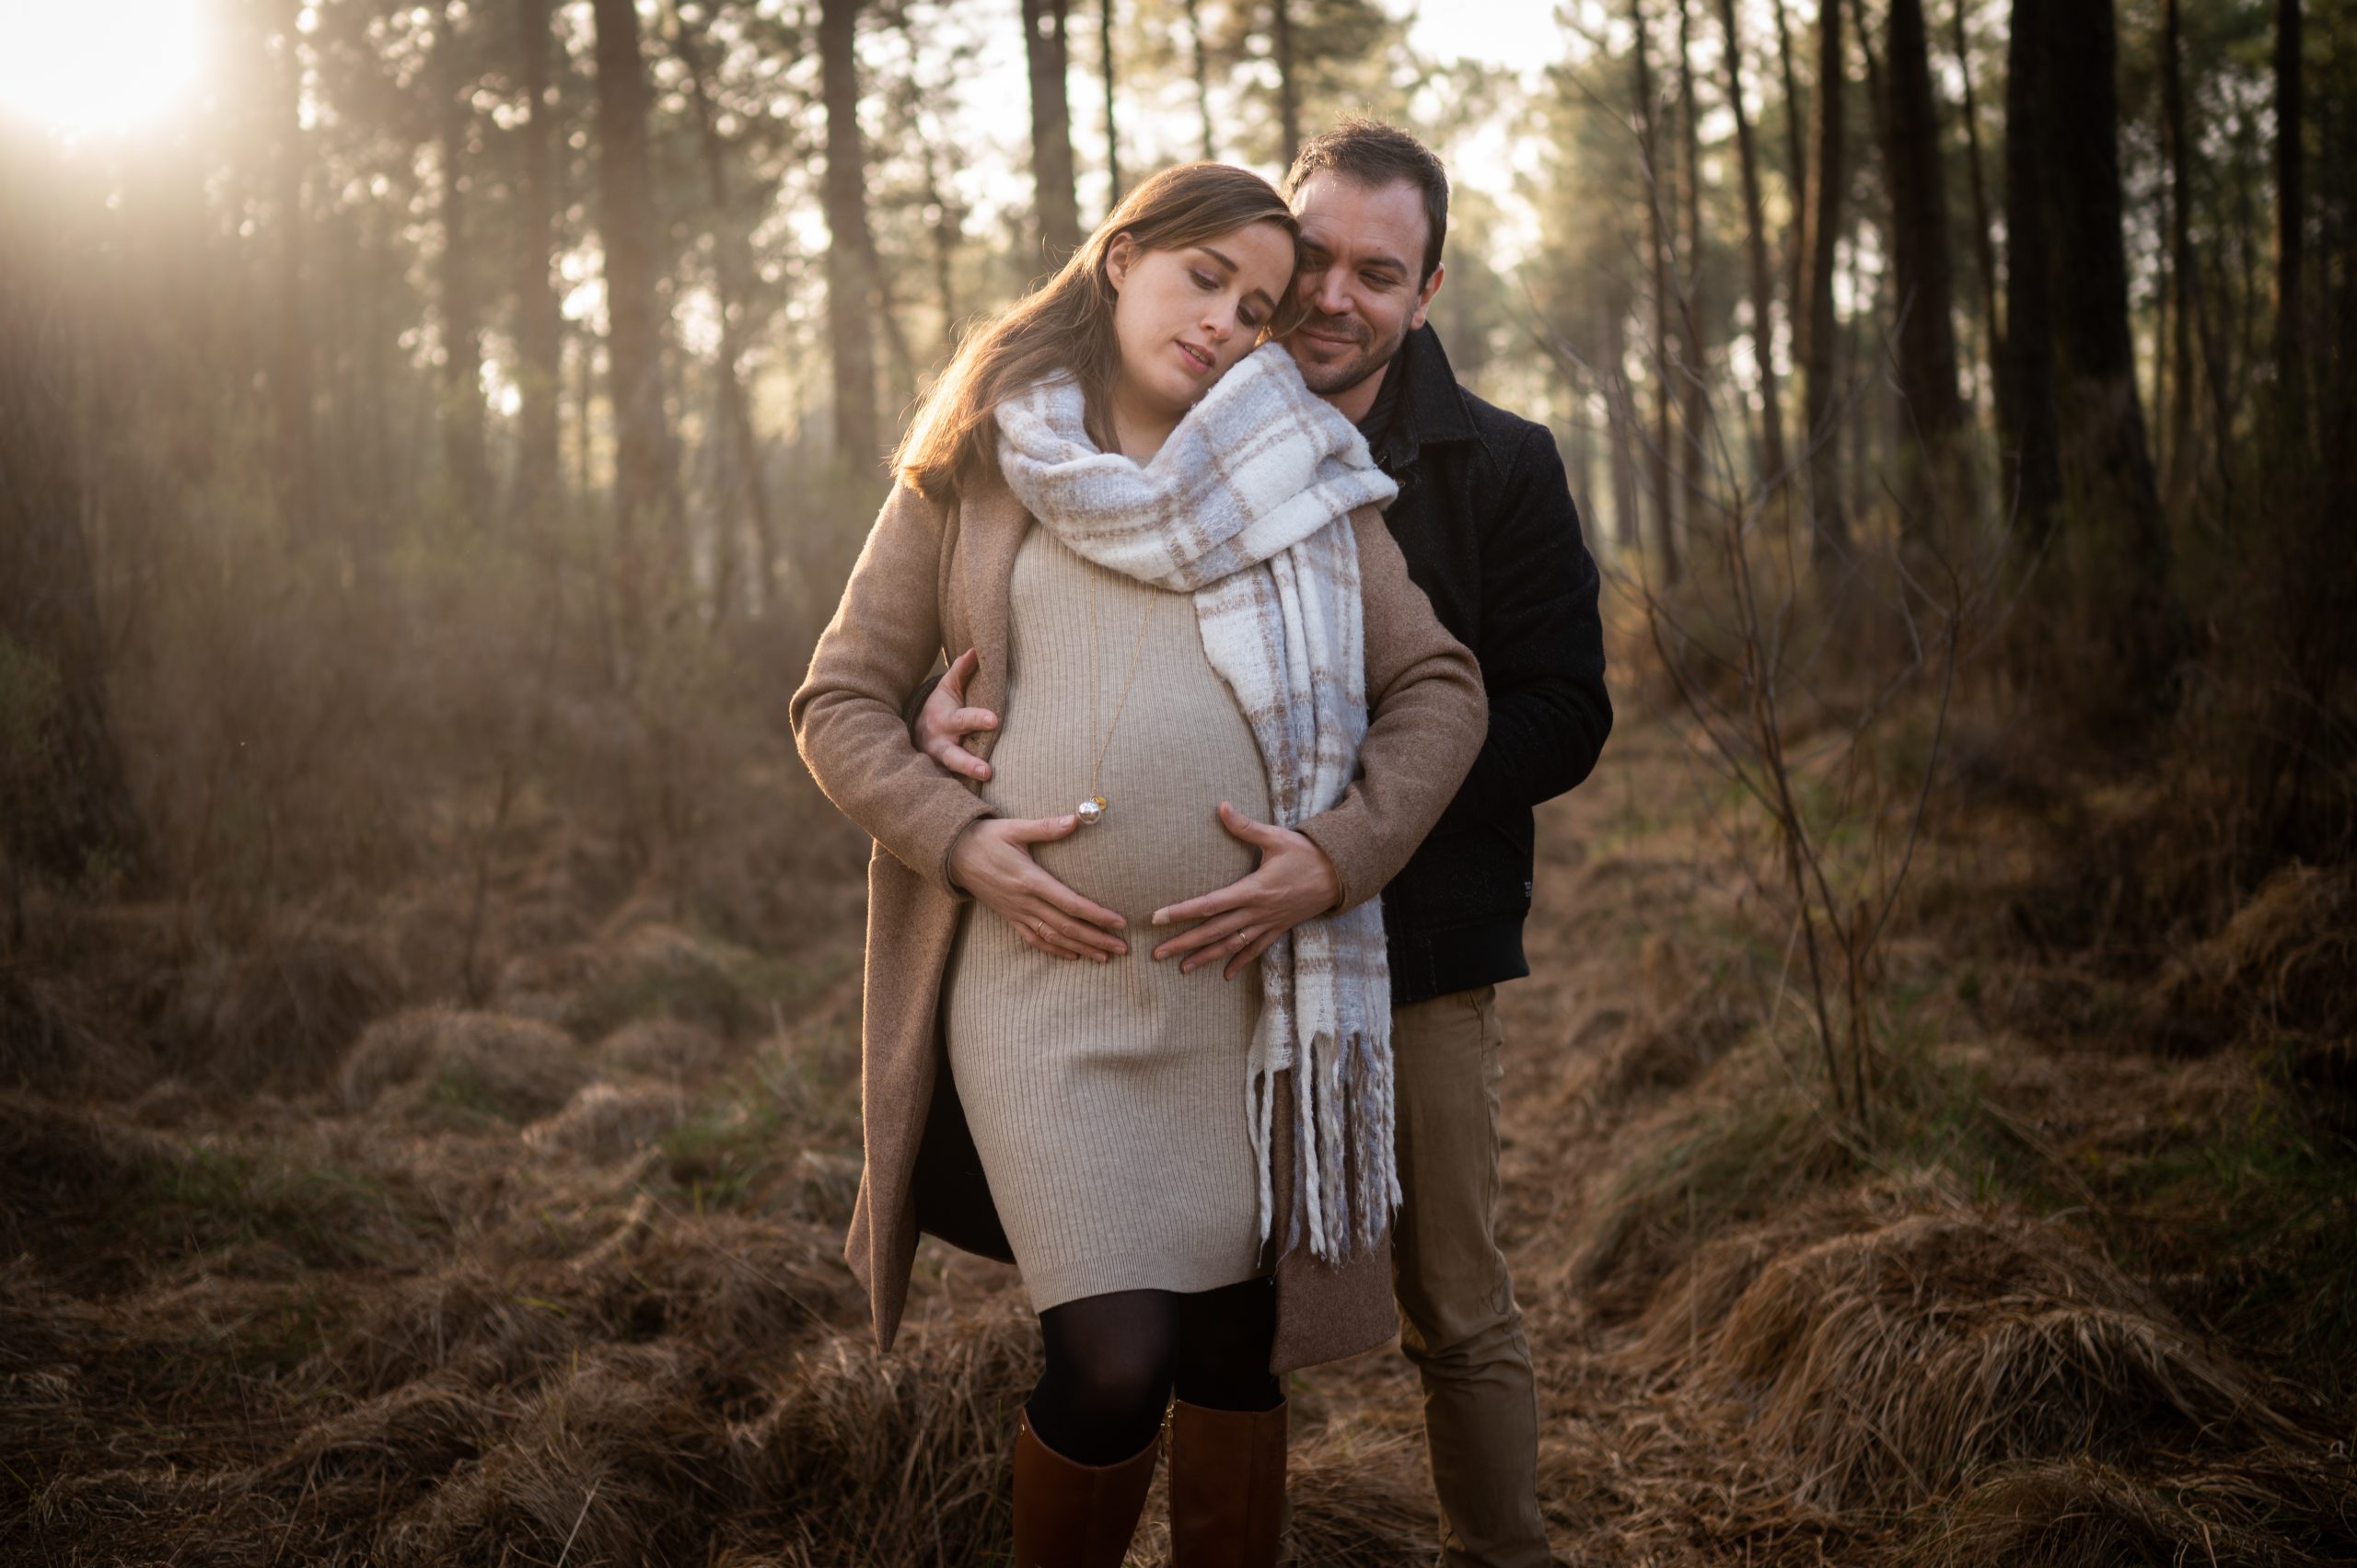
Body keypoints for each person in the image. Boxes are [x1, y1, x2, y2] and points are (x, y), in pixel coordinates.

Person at [915, 121, 1612, 1567]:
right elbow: (976, 648)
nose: (1323, 302)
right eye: (1309, 270)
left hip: (1391, 941)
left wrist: (1342, 825)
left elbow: (1549, 706)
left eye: (1380, 271)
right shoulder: (1163, 430)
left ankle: (1507, 1552)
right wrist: (960, 723)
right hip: (1179, 973)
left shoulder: (1484, 463)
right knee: (1159, 1346)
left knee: (1445, 1297)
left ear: (1425, 290)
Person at [789, 160, 1486, 1568]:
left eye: (1263, 306)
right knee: (1111, 1360)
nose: (1229, 322)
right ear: (1121, 262)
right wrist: (961, 838)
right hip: (1040, 989)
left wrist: (1337, 859)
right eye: (1204, 279)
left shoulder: (1303, 478)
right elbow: (840, 702)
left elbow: (1444, 689)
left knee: (1233, 1353)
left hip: (1239, 991)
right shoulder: (984, 462)